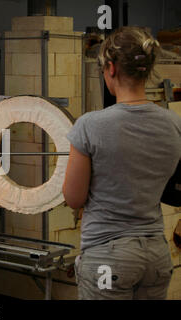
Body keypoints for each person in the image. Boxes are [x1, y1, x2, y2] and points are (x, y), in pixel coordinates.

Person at [62, 26, 181, 300]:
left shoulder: (90, 125)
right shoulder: (174, 123)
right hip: (156, 257)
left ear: (111, 68)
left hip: (109, 256)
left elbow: (74, 197)